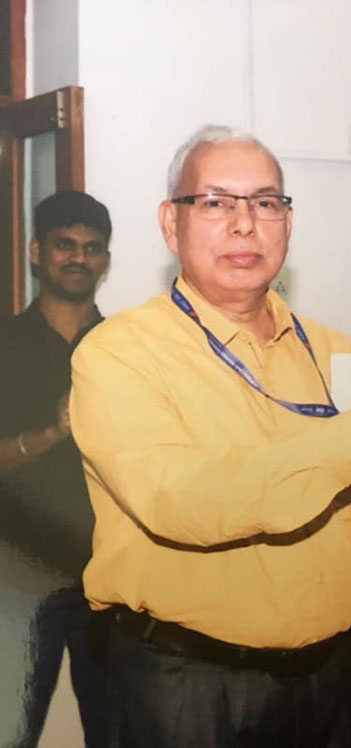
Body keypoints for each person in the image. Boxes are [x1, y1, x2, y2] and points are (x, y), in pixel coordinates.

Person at [68, 125, 351, 747]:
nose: (244, 225)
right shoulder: (119, 353)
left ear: (287, 223)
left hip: (333, 680)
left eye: (265, 203)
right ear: (170, 223)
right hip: (188, 686)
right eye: (215, 202)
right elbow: (181, 500)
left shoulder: (334, 351)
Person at [0, 190, 111, 747]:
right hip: (19, 581)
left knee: (120, 735)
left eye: (92, 248)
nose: (78, 258)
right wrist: (51, 433)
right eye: (65, 245)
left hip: (110, 580)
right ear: (36, 252)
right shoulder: (6, 345)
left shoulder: (124, 350)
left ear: (105, 260)